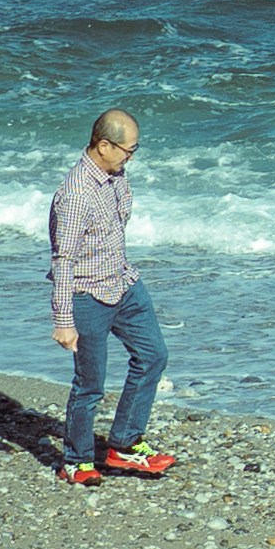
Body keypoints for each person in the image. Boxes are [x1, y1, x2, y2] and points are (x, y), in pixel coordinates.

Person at [46, 107, 172, 484]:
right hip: (87, 295)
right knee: (90, 384)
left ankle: (125, 444)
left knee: (153, 356)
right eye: (128, 150)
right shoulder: (75, 195)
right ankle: (76, 460)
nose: (131, 157)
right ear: (104, 145)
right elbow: (63, 259)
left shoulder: (115, 173)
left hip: (123, 281)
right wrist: (63, 321)